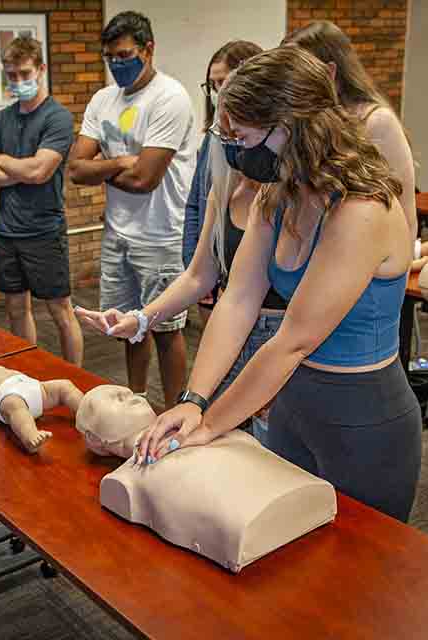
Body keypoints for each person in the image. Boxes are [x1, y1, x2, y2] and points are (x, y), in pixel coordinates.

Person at [134, 47, 422, 523]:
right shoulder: (280, 192)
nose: (238, 152)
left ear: (291, 125)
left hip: (363, 422)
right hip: (293, 408)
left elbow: (292, 341)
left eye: (244, 138)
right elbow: (238, 301)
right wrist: (193, 400)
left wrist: (208, 427)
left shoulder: (360, 209)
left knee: (361, 585)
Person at [76, 40, 280, 444]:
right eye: (226, 137)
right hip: (242, 340)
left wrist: (197, 404)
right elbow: (204, 279)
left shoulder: (295, 198)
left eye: (240, 135)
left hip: (291, 358)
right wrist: (140, 318)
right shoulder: (226, 186)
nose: (232, 146)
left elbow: (291, 335)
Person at [67, 11, 195, 407]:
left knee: (164, 327)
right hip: (117, 233)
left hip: (161, 233)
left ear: (148, 49)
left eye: (125, 55)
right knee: (125, 326)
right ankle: (136, 401)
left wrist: (103, 167)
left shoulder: (169, 97)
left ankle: (175, 413)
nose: (117, 64)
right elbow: (74, 168)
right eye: (111, 57)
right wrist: (122, 162)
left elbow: (145, 180)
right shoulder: (103, 99)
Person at [0, 36, 84, 365]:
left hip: (43, 231)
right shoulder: (2, 119)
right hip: (9, 232)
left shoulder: (57, 118)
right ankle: (30, 373)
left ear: (41, 69)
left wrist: (5, 161)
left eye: (25, 74)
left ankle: (76, 379)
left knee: (60, 310)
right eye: (12, 76)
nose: (19, 82)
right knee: (15, 309)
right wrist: (21, 169)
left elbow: (40, 171)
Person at [283, 20, 417, 242]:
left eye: (297, 71)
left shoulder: (377, 121)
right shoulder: (307, 121)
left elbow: (404, 217)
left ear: (330, 72)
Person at [183, 40, 263, 328]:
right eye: (212, 85)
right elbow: (196, 202)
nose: (219, 93)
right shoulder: (212, 140)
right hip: (212, 268)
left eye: (223, 82)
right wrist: (194, 265)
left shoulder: (266, 157)